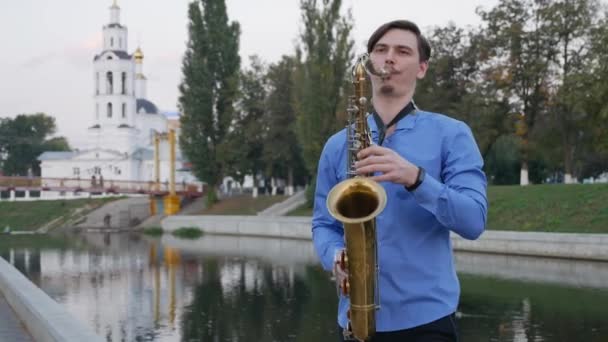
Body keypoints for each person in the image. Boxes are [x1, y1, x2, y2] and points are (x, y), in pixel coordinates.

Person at [312, 20, 488, 342]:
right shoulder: (338, 144)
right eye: (380, 50)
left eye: (402, 51)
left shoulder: (452, 134)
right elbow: (323, 223)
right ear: (369, 63)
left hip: (428, 321)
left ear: (421, 68)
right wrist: (335, 255)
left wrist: (417, 179)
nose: (389, 58)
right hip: (355, 321)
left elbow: (474, 221)